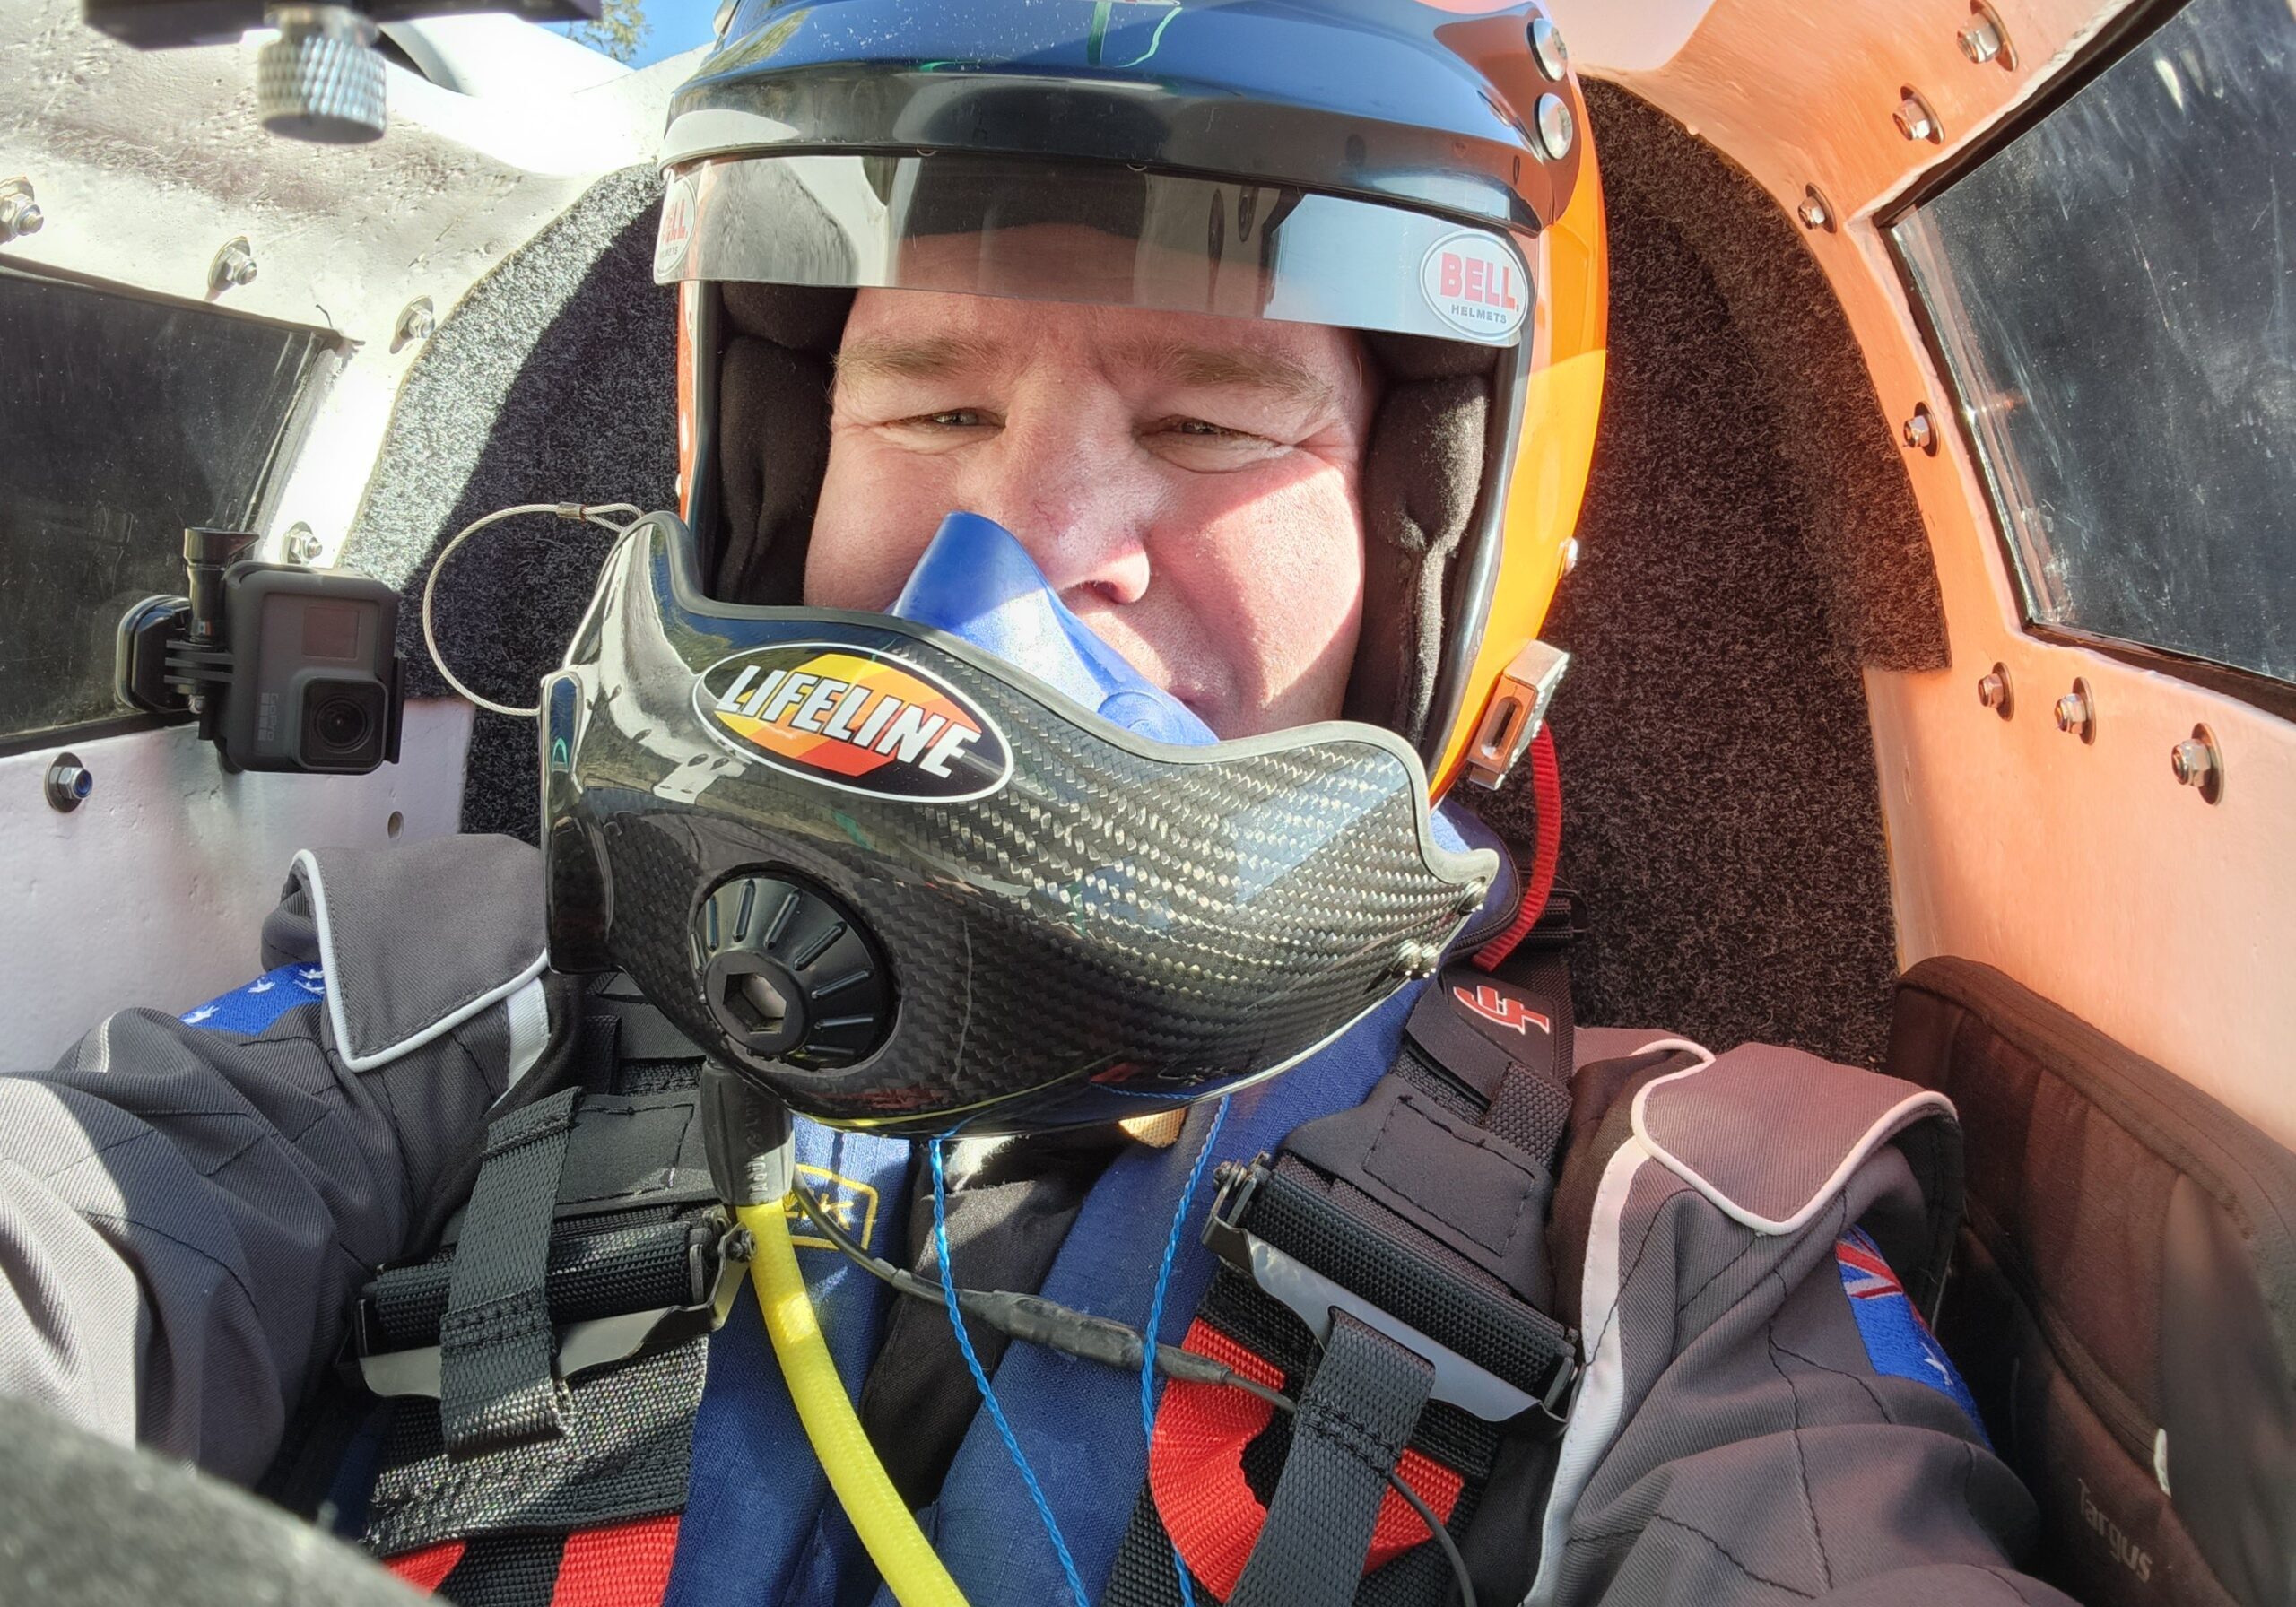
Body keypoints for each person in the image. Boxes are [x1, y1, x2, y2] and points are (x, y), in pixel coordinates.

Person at [0, 5, 2079, 1605]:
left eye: (1203, 412)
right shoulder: (453, 1000)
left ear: (1429, 539)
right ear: (768, 469)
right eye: (928, 400)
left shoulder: (1682, 1222)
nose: (1032, 536)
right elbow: (75, 1231)